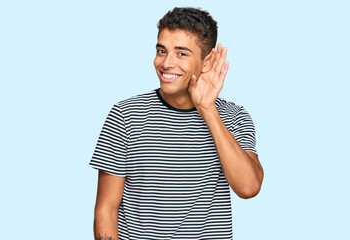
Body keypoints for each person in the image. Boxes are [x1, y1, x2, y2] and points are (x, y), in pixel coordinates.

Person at [89, 7, 264, 240]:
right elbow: (106, 209)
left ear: (208, 60)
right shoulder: (125, 115)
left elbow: (249, 187)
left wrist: (208, 110)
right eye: (162, 51)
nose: (166, 63)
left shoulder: (234, 116)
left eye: (181, 53)